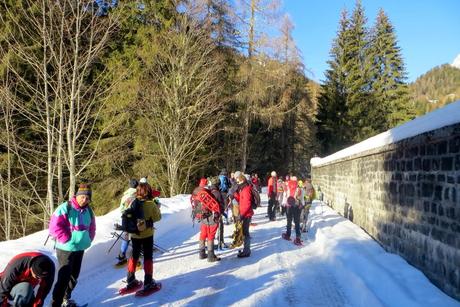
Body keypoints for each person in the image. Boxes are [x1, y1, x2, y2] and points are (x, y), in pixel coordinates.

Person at [49, 183, 96, 307]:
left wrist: (88, 238)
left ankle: (66, 299)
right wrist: (67, 238)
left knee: (74, 277)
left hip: (79, 248)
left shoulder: (89, 211)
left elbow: (92, 227)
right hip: (65, 249)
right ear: (77, 196)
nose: (84, 200)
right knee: (63, 278)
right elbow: (54, 227)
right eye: (82, 197)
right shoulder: (65, 208)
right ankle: (55, 304)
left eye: (87, 198)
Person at [124, 182, 162, 292]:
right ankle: (148, 282)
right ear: (148, 191)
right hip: (147, 235)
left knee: (134, 256)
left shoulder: (131, 202)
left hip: (135, 234)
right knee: (148, 257)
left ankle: (130, 280)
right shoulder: (151, 204)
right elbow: (157, 218)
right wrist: (157, 207)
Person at [192, 178, 222, 262]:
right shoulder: (207, 192)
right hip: (210, 216)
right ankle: (211, 255)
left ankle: (201, 253)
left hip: (202, 216)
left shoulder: (195, 191)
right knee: (211, 235)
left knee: (203, 234)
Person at [116, 178, 138, 265]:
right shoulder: (137, 195)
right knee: (136, 238)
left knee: (126, 237)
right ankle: (135, 259)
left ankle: (121, 256)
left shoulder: (125, 196)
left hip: (125, 219)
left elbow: (121, 209)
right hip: (134, 219)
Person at [233, 173, 254, 258]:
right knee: (245, 232)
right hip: (244, 213)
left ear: (242, 180)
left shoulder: (246, 189)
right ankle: (246, 249)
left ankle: (246, 251)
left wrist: (241, 215)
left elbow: (247, 204)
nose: (237, 182)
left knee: (246, 233)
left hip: (246, 214)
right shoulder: (242, 188)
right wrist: (235, 194)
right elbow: (240, 199)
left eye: (238, 180)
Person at [282, 176, 303, 245]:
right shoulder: (299, 188)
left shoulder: (288, 186)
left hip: (289, 206)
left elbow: (285, 195)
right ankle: (298, 237)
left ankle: (288, 235)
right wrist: (301, 205)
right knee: (297, 222)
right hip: (296, 206)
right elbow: (302, 198)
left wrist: (284, 203)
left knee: (289, 220)